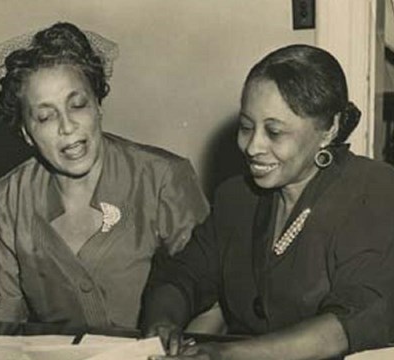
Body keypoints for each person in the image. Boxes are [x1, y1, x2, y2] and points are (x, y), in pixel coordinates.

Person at [142, 44, 394, 359]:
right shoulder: (236, 197)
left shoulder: (375, 190)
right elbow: (181, 275)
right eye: (246, 127)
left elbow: (350, 322)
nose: (252, 146)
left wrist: (228, 355)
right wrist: (163, 323)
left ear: (328, 128)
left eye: (274, 132)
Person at [0, 22, 210, 330]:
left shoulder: (163, 178)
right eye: (46, 116)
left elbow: (213, 303)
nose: (67, 126)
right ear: (25, 132)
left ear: (98, 104)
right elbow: (4, 322)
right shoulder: (9, 196)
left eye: (78, 105)